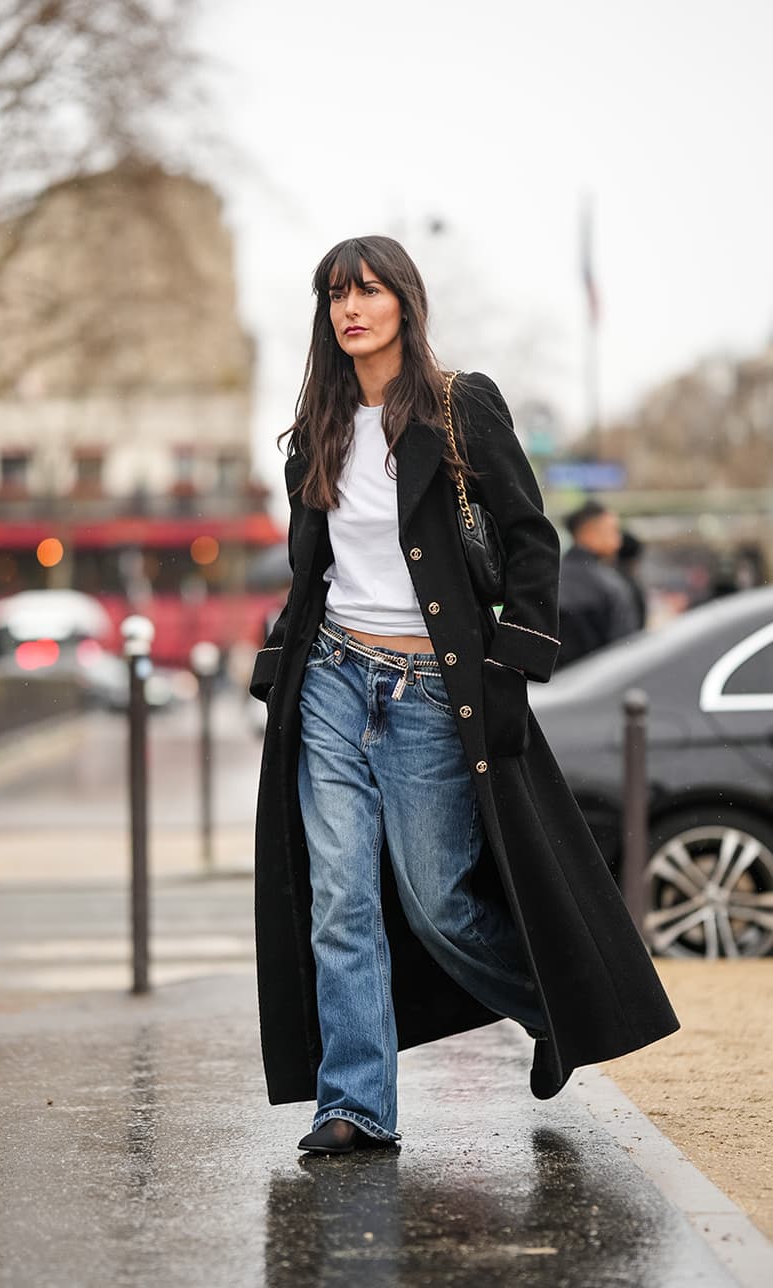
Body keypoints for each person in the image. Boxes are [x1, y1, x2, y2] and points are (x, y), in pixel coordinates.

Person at [250, 235, 677, 1156]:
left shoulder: (457, 406)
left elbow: (532, 540)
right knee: (339, 901)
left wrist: (513, 665)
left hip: (427, 693)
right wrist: (280, 653)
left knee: (439, 899)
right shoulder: (315, 430)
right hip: (330, 681)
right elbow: (314, 568)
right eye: (335, 295)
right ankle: (356, 1103)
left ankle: (551, 1004)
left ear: (405, 300)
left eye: (368, 291)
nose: (350, 308)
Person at [557, 499, 641, 668]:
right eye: (613, 531)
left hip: (551, 687)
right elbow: (626, 648)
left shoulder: (551, 576)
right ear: (589, 532)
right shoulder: (609, 584)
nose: (619, 541)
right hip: (601, 683)